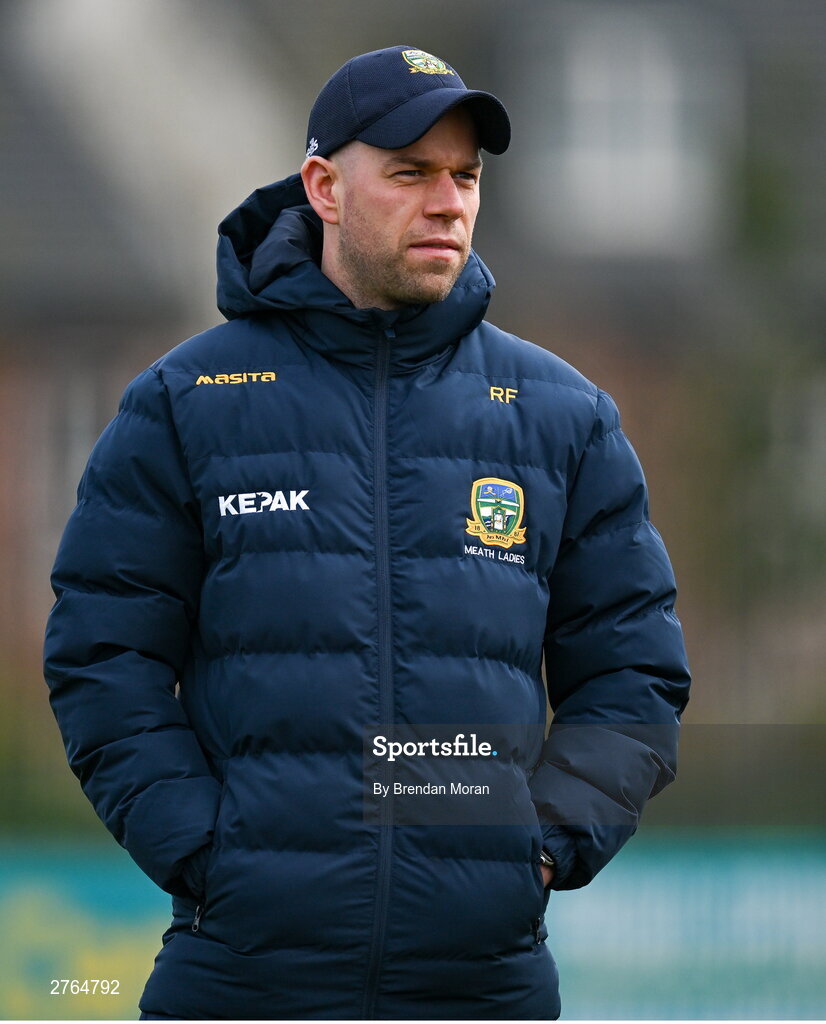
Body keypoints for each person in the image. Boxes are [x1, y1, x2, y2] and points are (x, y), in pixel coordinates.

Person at [44, 45, 690, 1020]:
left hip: (484, 981)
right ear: (324, 186)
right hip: (242, 973)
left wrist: (541, 844)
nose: (447, 202)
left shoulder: (563, 416)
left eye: (464, 175)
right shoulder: (187, 404)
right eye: (409, 171)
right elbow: (102, 657)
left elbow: (634, 672)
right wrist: (207, 852)